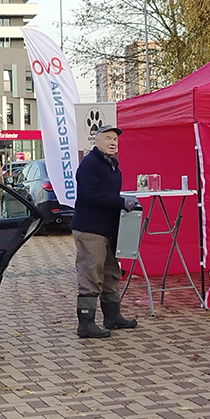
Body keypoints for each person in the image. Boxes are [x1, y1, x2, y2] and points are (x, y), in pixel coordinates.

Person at [71, 125, 140, 338]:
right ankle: (86, 324)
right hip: (90, 228)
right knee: (91, 273)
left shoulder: (112, 165)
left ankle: (113, 317)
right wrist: (121, 202)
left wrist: (123, 203)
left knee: (111, 273)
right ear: (96, 141)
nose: (112, 142)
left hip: (107, 230)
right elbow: (91, 195)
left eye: (115, 140)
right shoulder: (90, 164)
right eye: (108, 138)